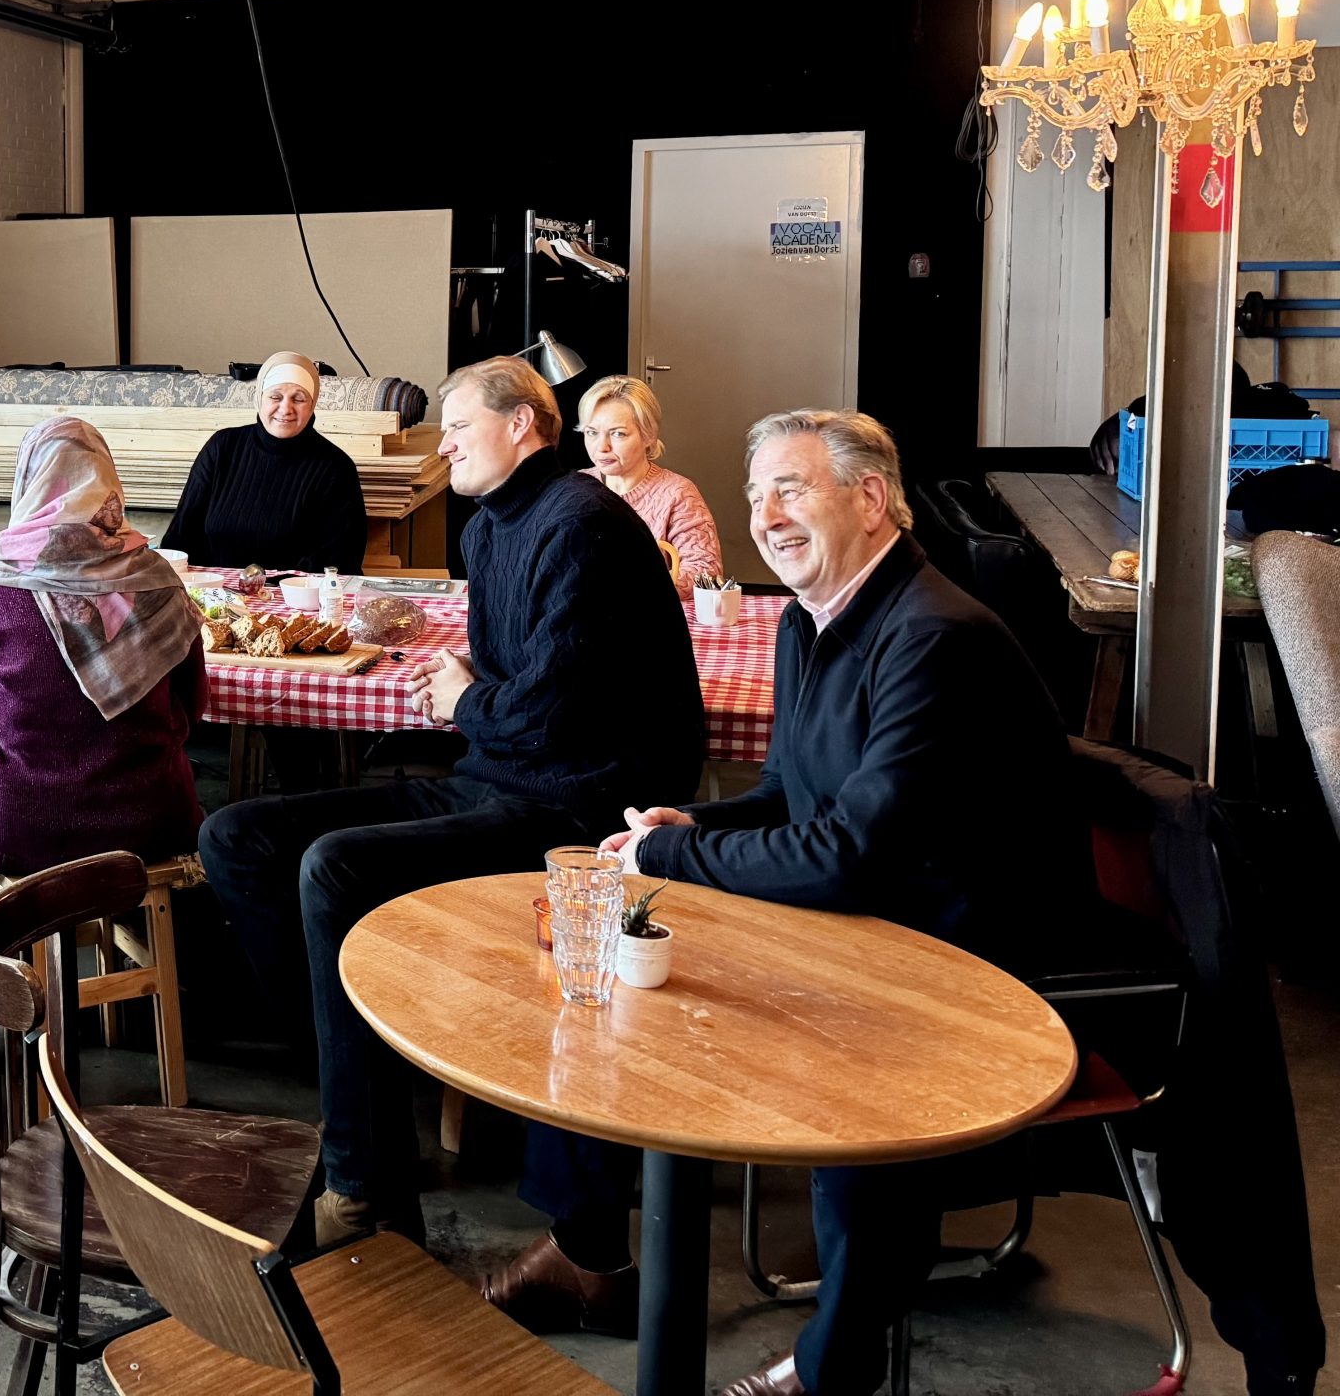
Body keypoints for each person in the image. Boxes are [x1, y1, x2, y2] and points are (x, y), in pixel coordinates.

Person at [487, 409, 1101, 1396]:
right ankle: (588, 1248)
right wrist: (685, 827)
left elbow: (853, 852)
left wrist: (672, 858)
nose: (764, 514)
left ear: (868, 498)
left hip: (975, 961)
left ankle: (834, 1367)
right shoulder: (808, 617)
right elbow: (791, 796)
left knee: (844, 1055)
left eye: (791, 488)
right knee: (602, 976)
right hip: (875, 918)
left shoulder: (933, 635)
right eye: (754, 492)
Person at [198, 356, 703, 1244]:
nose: (446, 446)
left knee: (335, 863)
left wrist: (464, 702)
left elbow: (546, 713)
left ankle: (365, 1178)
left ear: (522, 427)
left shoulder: (580, 524)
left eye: (460, 427)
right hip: (499, 777)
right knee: (237, 837)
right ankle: (366, 1078)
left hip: (581, 809)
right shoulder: (487, 531)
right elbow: (507, 691)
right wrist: (473, 693)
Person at [0, 416, 204, 879]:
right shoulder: (158, 579)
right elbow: (194, 706)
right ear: (108, 485)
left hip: (20, 825)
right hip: (152, 821)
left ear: (29, 484)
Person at [162, 351, 367, 574]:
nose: (286, 408)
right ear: (259, 398)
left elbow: (340, 559)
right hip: (214, 593)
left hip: (294, 598)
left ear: (313, 404)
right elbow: (180, 539)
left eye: (298, 399)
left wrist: (267, 589)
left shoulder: (335, 467)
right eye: (275, 397)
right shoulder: (222, 448)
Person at [576, 373, 721, 597]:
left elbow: (705, 571)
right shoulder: (576, 488)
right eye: (592, 433)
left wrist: (634, 589)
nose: (601, 447)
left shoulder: (677, 493)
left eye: (618, 434)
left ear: (648, 436)